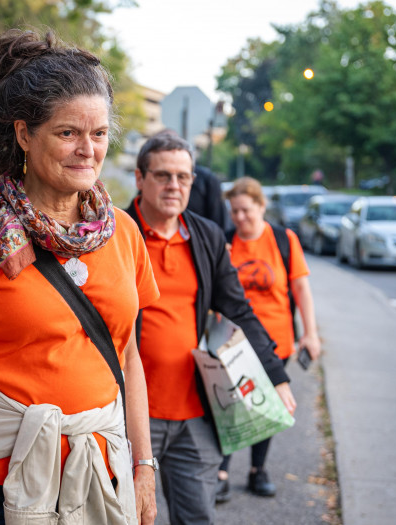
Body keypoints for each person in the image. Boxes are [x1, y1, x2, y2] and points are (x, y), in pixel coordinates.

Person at [0, 30, 160, 524]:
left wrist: (144, 465)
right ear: (23, 135)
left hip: (94, 480)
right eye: (68, 133)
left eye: (99, 134)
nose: (88, 150)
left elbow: (127, 356)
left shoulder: (122, 232)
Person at [127, 132, 295, 525]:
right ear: (140, 178)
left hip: (195, 414)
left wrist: (277, 375)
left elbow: (238, 310)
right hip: (130, 415)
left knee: (197, 518)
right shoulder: (114, 233)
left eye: (183, 178)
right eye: (163, 175)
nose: (174, 186)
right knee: (126, 517)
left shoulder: (206, 236)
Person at [216, 176, 320, 500]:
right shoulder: (225, 241)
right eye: (234, 212)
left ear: (261, 206)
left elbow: (301, 288)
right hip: (232, 343)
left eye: (246, 210)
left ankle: (257, 470)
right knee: (229, 405)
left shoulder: (283, 240)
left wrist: (311, 334)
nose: (240, 217)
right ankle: (221, 471)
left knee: (267, 407)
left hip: (276, 341)